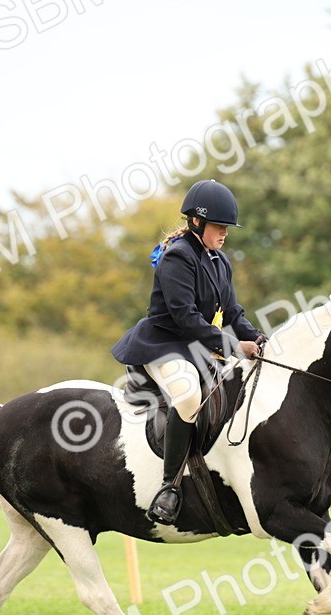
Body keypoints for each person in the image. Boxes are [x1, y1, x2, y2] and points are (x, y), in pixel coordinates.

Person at [112, 179, 264, 525]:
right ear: (197, 222)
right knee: (189, 395)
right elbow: (187, 318)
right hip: (164, 344)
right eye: (219, 226)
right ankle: (169, 487)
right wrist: (232, 346)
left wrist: (257, 337)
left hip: (195, 347)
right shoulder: (177, 256)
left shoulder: (220, 260)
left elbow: (234, 311)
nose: (225, 233)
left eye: (227, 228)